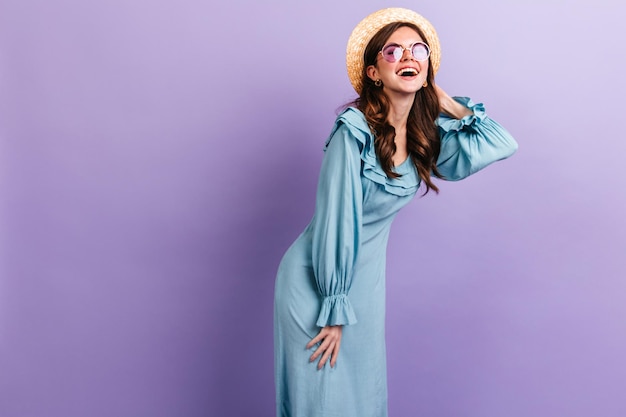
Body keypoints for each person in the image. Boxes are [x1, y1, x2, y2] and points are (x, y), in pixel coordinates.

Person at [273, 7, 518, 417]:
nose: (408, 57)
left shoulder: (425, 137)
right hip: (319, 285)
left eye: (418, 49)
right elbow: (337, 219)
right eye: (393, 51)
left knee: (362, 400)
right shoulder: (352, 132)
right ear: (372, 72)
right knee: (320, 403)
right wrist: (332, 308)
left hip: (364, 289)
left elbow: (503, 143)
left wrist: (449, 105)